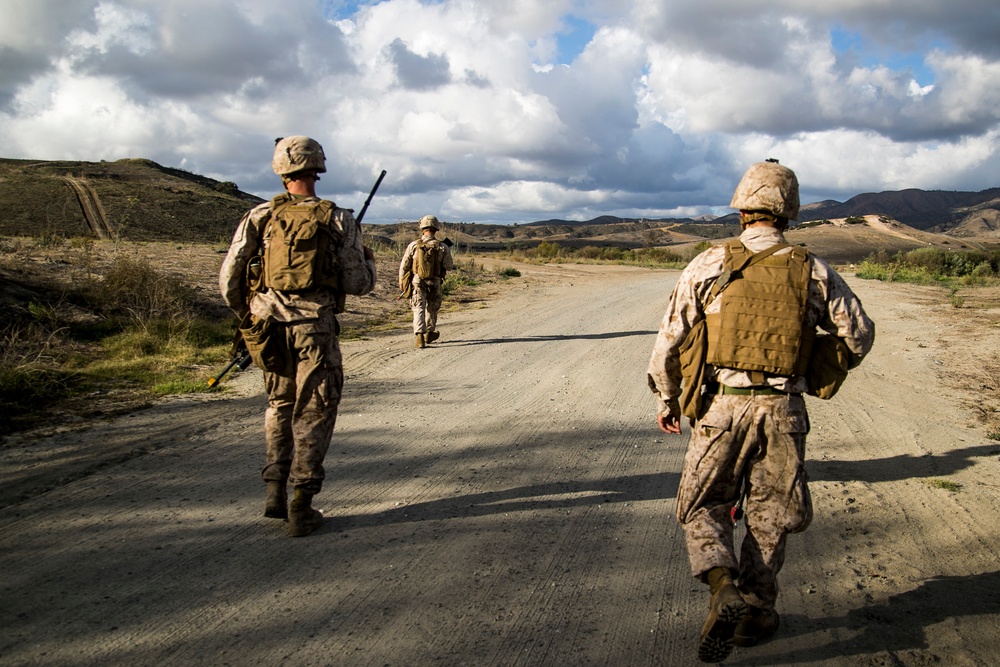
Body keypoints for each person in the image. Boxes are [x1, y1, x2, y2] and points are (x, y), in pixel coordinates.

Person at [646, 160, 875, 662]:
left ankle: (721, 583)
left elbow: (668, 342)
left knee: (702, 504)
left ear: (742, 209)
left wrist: (667, 398)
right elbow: (858, 335)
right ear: (789, 211)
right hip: (783, 412)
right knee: (770, 516)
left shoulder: (709, 263)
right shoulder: (813, 269)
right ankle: (754, 611)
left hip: (721, 409)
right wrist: (816, 366)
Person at [219, 136, 377, 537]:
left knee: (279, 404)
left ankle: (274, 488)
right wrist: (370, 262)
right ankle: (301, 504)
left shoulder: (259, 216)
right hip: (314, 329)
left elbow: (229, 278)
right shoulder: (338, 219)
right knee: (315, 409)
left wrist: (250, 316)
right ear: (318, 167)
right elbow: (358, 284)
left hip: (267, 327)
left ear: (280, 169)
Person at [398, 215, 453, 348]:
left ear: (422, 228)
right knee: (432, 308)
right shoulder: (442, 247)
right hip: (435, 281)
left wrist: (401, 282)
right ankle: (429, 332)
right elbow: (449, 266)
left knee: (418, 307)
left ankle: (419, 336)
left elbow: (404, 265)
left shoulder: (413, 245)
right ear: (436, 229)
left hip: (417, 281)